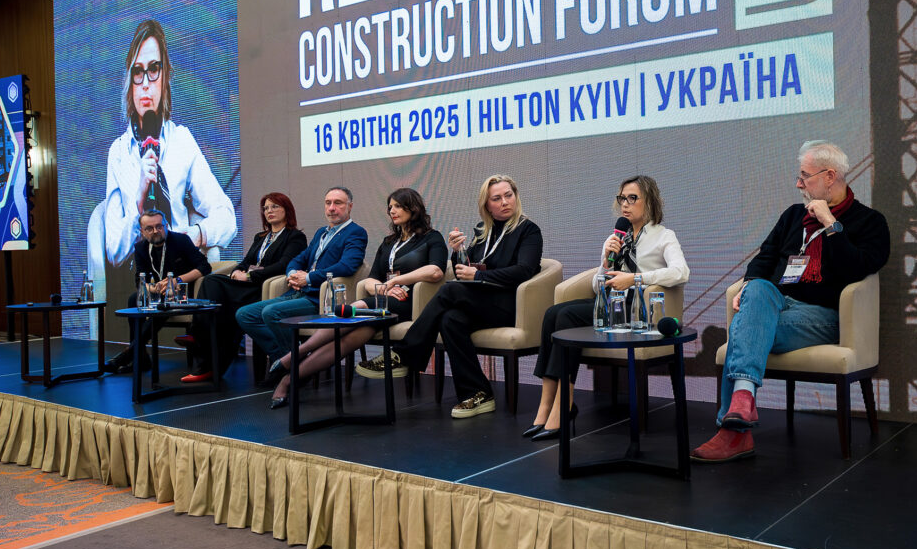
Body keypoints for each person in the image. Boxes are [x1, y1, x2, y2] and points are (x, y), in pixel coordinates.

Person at [691, 142, 890, 463]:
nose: (798, 184)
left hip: (823, 317)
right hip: (777, 305)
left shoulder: (870, 222)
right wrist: (750, 286)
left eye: (805, 176)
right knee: (757, 289)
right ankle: (742, 402)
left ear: (830, 176)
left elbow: (858, 268)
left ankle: (734, 433)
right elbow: (765, 257)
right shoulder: (793, 216)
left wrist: (831, 225)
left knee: (744, 328)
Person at [524, 176, 689, 440]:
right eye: (622, 198)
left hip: (636, 307)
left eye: (632, 198)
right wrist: (605, 263)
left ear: (649, 201)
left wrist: (635, 279)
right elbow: (596, 285)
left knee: (566, 315)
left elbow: (681, 272)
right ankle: (546, 407)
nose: (625, 204)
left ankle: (563, 406)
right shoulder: (615, 237)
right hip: (610, 303)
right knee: (552, 313)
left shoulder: (663, 236)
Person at [268, 189, 447, 408]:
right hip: (384, 302)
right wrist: (384, 289)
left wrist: (394, 283)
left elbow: (435, 271)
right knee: (350, 337)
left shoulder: (431, 238)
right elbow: (370, 280)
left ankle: (294, 356)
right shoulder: (389, 242)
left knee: (357, 307)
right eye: (390, 207)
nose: (392, 211)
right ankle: (288, 380)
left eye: (398, 206)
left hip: (414, 303)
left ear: (413, 208)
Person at [93, 19, 237, 275]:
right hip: (138, 266)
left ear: (165, 76)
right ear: (129, 80)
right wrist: (139, 202)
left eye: (154, 69)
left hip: (179, 264)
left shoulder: (181, 140)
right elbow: (114, 251)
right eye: (138, 72)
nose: (145, 83)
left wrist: (193, 235)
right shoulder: (119, 151)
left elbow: (226, 217)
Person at [394, 175, 542, 417]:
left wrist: (479, 275)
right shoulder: (483, 231)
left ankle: (405, 354)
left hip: (510, 305)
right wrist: (457, 252)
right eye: (497, 198)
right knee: (450, 320)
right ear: (487, 205)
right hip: (482, 303)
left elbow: (524, 271)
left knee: (449, 289)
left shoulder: (528, 230)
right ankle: (477, 393)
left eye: (509, 195)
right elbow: (466, 270)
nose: (505, 202)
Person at [236, 186, 368, 388]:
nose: (332, 208)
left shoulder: (356, 232)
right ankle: (290, 363)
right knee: (244, 314)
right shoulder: (321, 232)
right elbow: (298, 259)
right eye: (328, 203)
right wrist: (292, 274)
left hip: (319, 298)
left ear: (350, 206)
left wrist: (309, 278)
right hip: (298, 292)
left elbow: (347, 266)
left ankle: (292, 369)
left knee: (271, 313)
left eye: (338, 203)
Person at [179, 193, 308, 383]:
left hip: (263, 287)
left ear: (286, 210)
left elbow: (283, 265)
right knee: (213, 287)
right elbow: (246, 262)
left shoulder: (295, 237)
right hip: (246, 287)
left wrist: (248, 276)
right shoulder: (261, 237)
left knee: (213, 285)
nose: (269, 211)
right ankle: (206, 353)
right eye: (266, 208)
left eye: (274, 206)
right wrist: (237, 271)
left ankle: (198, 337)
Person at [104, 209, 209, 374]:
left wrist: (177, 280)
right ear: (142, 231)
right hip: (160, 292)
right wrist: (153, 288)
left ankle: (130, 353)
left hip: (182, 292)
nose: (155, 231)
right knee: (134, 299)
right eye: (149, 228)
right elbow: (140, 280)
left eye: (159, 226)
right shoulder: (140, 248)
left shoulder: (181, 240)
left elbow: (205, 266)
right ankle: (141, 358)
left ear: (166, 226)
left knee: (165, 301)